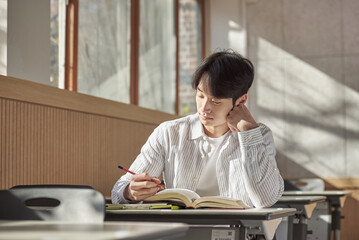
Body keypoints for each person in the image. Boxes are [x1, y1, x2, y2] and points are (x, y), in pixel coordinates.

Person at [111, 49, 283, 208]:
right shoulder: (169, 133)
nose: (204, 107)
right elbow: (117, 191)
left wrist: (248, 133)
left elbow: (265, 200)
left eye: (216, 101)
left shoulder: (259, 135)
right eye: (200, 95)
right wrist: (129, 191)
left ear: (240, 101)